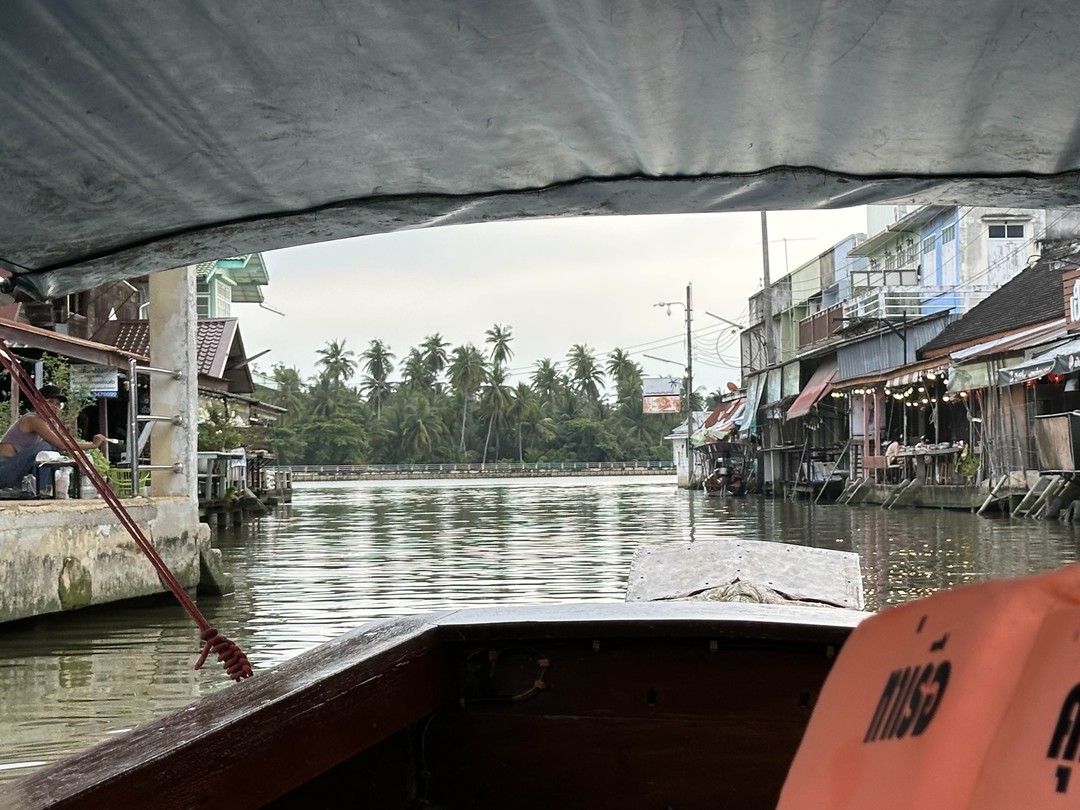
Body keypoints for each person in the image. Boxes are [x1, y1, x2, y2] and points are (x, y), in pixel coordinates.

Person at [0, 385, 107, 490]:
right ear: (37, 402)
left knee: (53, 453)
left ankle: (46, 489)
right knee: (46, 447)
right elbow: (61, 444)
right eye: (50, 401)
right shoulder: (32, 419)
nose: (55, 406)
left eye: (58, 404)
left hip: (18, 473)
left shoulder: (48, 423)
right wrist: (92, 445)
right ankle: (42, 490)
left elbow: (62, 443)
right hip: (4, 470)